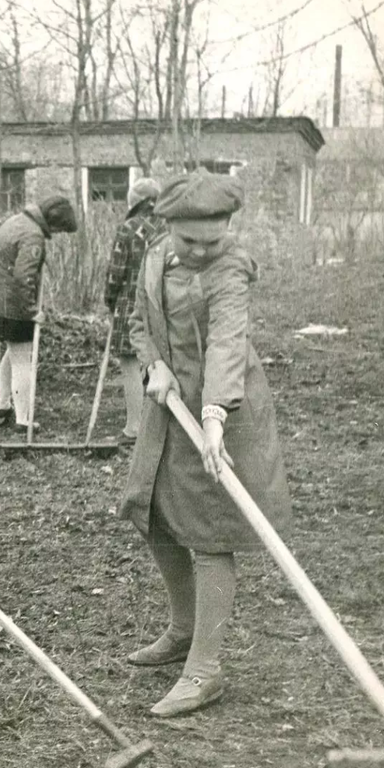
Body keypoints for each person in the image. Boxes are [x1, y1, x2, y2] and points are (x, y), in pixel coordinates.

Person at [119, 171, 292, 718]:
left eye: (211, 240)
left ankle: (206, 669)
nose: (200, 250)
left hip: (223, 413)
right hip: (167, 409)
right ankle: (182, 630)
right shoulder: (154, 255)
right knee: (156, 516)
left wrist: (214, 415)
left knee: (211, 536)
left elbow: (226, 342)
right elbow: (136, 319)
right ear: (167, 227)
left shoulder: (230, 268)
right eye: (189, 240)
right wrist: (155, 365)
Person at [0, 194, 78, 435]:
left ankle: (2, 407)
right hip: (11, 307)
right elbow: (24, 277)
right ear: (53, 223)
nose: (58, 234)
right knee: (23, 360)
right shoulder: (33, 236)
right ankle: (23, 421)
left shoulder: (16, 220)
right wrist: (31, 311)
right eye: (60, 229)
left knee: (12, 354)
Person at [103, 178, 166, 444]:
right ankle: (162, 425)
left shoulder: (127, 229)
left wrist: (109, 299)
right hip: (162, 305)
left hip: (129, 305)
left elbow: (115, 273)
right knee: (158, 363)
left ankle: (134, 427)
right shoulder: (168, 228)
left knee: (129, 365)